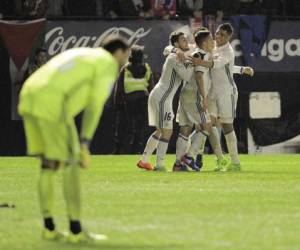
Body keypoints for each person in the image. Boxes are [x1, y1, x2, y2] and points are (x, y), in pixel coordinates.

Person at [18, 36, 130, 243]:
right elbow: (95, 107)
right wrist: (84, 142)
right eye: (127, 54)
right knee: (71, 166)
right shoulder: (107, 63)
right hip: (53, 104)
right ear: (119, 52)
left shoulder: (83, 54)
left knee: (47, 165)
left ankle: (49, 227)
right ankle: (76, 230)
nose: (127, 59)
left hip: (29, 95)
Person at [192, 23, 253, 171]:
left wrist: (200, 62)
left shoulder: (229, 51)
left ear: (229, 37)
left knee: (227, 126)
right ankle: (194, 155)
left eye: (222, 35)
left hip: (227, 92)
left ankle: (235, 162)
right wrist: (242, 69)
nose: (218, 36)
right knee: (207, 124)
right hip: (212, 92)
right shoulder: (213, 48)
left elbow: (218, 64)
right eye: (217, 33)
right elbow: (228, 67)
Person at [137, 31, 194, 172]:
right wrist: (195, 63)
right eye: (183, 40)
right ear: (176, 43)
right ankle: (159, 165)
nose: (186, 42)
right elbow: (187, 75)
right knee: (167, 131)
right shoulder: (175, 57)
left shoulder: (177, 53)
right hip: (162, 97)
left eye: (186, 39)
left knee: (159, 130)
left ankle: (144, 161)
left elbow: (167, 49)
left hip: (159, 95)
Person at [114, 45, 154, 154]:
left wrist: (117, 102)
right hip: (143, 100)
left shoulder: (125, 68)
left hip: (128, 101)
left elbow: (119, 87)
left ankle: (122, 149)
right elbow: (151, 87)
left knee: (127, 125)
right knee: (140, 126)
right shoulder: (146, 67)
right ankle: (137, 149)